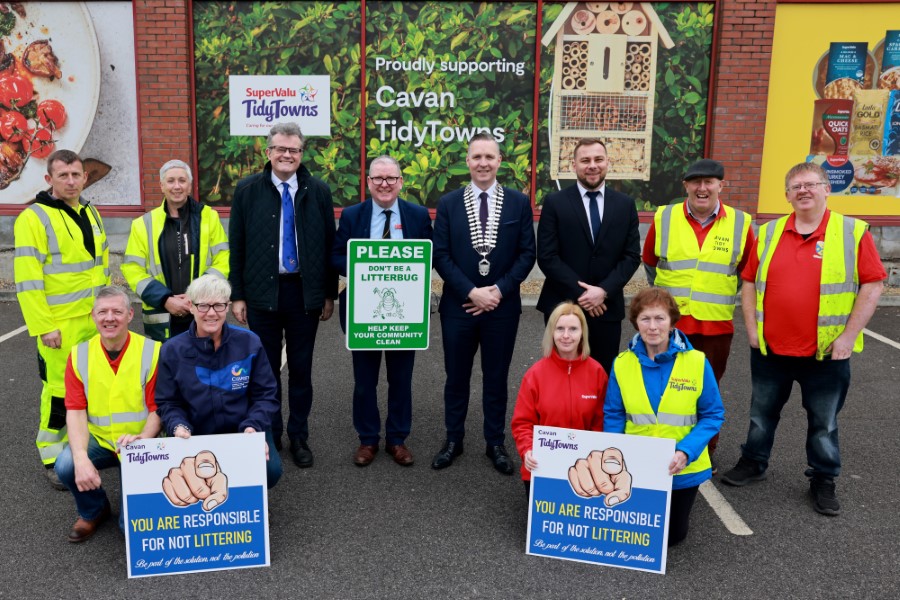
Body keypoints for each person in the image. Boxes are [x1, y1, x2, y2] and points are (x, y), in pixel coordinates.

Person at [721, 162, 885, 516]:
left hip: (827, 352)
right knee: (761, 414)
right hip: (771, 349)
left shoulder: (852, 232)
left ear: (827, 188)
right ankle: (753, 462)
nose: (803, 191)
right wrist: (752, 329)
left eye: (811, 184)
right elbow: (748, 282)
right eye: (796, 186)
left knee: (824, 422)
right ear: (787, 195)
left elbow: (873, 284)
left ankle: (823, 479)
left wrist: (848, 336)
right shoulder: (767, 233)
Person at [228, 122, 338, 467]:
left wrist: (328, 294)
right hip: (263, 293)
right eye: (281, 149)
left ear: (302, 154)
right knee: (266, 371)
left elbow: (328, 246)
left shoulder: (318, 191)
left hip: (304, 293)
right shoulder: (247, 191)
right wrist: (238, 294)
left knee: (302, 370)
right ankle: (270, 434)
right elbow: (238, 246)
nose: (287, 155)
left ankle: (299, 436)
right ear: (269, 152)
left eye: (294, 150)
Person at [431, 132, 536, 474]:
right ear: (468, 161)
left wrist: (497, 292)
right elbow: (442, 256)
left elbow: (526, 255)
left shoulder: (519, 203)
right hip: (459, 307)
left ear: (499, 161)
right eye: (477, 157)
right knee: (456, 377)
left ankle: (495, 442)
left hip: (501, 308)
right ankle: (453, 439)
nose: (483, 163)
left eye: (489, 157)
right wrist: (471, 292)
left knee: (496, 377)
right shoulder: (448, 203)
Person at [642, 159, 754, 470]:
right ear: (686, 186)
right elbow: (650, 262)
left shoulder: (740, 223)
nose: (702, 188)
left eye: (709, 182)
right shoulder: (664, 218)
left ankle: (703, 450)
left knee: (707, 392)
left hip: (715, 326)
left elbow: (747, 273)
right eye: (695, 182)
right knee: (660, 388)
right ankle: (658, 447)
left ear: (721, 185)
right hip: (668, 327)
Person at [14, 149, 109, 488]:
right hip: (60, 324)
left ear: (85, 177)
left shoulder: (90, 210)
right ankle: (53, 455)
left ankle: (81, 446)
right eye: (63, 175)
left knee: (90, 385)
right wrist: (43, 327)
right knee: (58, 391)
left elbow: (99, 268)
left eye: (76, 175)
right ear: (49, 179)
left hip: (94, 320)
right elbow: (27, 279)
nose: (71, 181)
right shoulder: (33, 219)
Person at [331, 155, 433, 467]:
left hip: (405, 314)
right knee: (365, 381)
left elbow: (430, 255)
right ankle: (368, 440)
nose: (385, 184)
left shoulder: (416, 215)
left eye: (391, 178)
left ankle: (398, 439)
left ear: (401, 182)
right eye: (378, 178)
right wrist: (364, 267)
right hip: (364, 312)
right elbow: (335, 256)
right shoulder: (352, 215)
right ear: (369, 182)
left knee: (401, 379)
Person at [602, 288, 724, 546]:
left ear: (671, 323)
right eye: (645, 319)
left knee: (672, 537)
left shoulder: (696, 362)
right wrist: (614, 453)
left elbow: (713, 415)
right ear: (636, 323)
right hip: (636, 466)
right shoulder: (622, 363)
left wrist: (686, 452)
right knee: (633, 533)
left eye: (660, 318)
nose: (653, 326)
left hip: (681, 466)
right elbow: (613, 413)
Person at [54, 286, 161, 543]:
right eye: (102, 312)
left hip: (139, 443)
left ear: (130, 315)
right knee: (66, 465)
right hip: (101, 440)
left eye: (117, 311)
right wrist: (81, 458)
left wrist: (144, 438)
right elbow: (76, 411)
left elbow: (159, 409)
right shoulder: (79, 355)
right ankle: (94, 510)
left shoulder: (153, 351)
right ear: (93, 316)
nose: (109, 318)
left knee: (132, 531)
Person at [154, 275, 282, 488]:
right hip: (195, 434)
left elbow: (266, 394)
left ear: (227, 306)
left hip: (244, 429)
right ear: (191, 307)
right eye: (203, 306)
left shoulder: (249, 342)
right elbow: (168, 402)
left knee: (271, 471)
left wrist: (253, 426)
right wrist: (178, 426)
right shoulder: (172, 350)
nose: (211, 313)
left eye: (219, 305)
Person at [536, 138, 641, 375]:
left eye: (598, 159)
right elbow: (547, 256)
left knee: (601, 376)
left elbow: (632, 256)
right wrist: (583, 294)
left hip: (606, 307)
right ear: (574, 165)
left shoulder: (625, 205)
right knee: (559, 375)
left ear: (608, 163)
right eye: (585, 160)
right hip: (563, 306)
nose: (592, 165)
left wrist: (602, 291)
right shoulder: (555, 202)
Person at [122, 159, 229, 341]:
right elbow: (132, 268)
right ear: (162, 186)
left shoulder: (209, 217)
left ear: (190, 185)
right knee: (166, 367)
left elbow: (223, 259)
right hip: (162, 317)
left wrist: (195, 295)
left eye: (182, 180)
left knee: (205, 367)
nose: (176, 186)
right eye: (171, 181)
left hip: (202, 311)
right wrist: (166, 299)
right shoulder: (143, 224)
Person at [510, 302, 608, 494]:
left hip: (586, 469)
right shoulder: (535, 374)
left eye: (573, 329)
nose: (566, 335)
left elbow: (601, 421)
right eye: (560, 328)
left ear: (582, 333)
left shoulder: (597, 372)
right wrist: (527, 450)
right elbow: (523, 423)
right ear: (551, 333)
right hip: (543, 467)